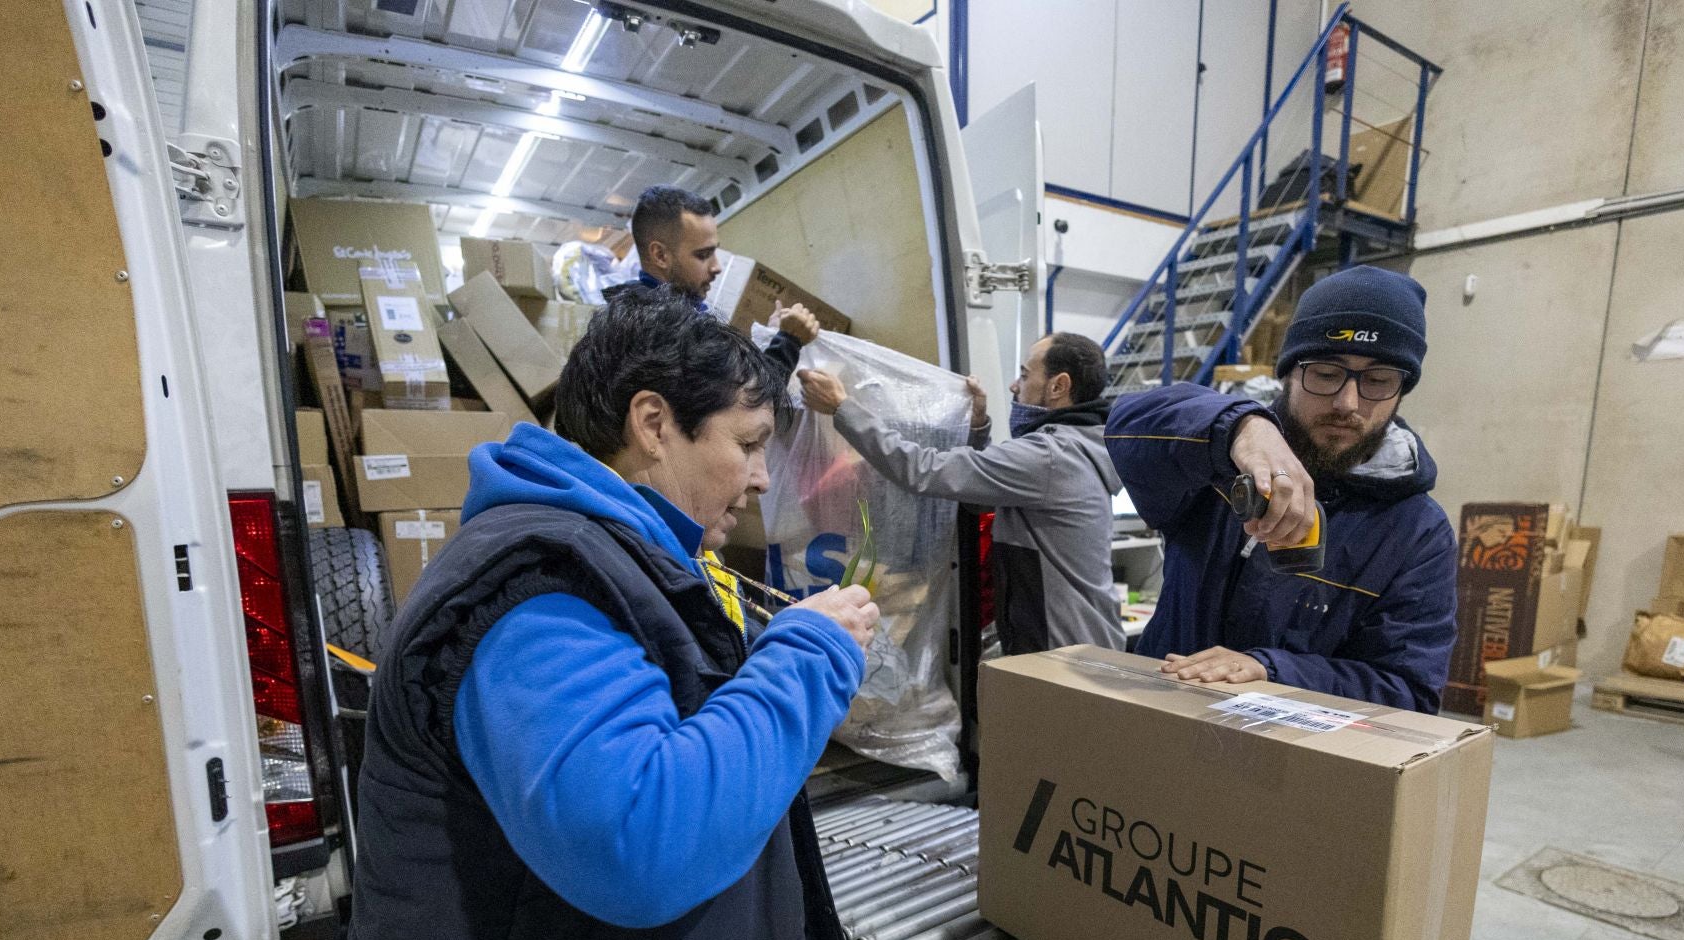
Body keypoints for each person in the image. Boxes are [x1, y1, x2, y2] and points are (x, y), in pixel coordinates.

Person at [335, 292, 880, 940]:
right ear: (653, 423)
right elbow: (637, 832)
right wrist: (809, 656)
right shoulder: (541, 589)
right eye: (748, 442)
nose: (761, 478)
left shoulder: (607, 558)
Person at [1104, 266, 1455, 712]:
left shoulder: (1417, 532)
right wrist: (1238, 429)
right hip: (1162, 723)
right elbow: (1126, 425)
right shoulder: (1216, 466)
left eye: (1378, 380)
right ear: (1288, 373)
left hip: (1289, 768)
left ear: (1402, 390)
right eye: (1326, 374)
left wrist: (1271, 670)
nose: (1348, 403)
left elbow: (1409, 692)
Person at [795, 332, 1126, 653]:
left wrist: (843, 407)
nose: (1014, 386)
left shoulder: (1050, 455)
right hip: (1081, 641)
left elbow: (923, 469)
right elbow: (976, 497)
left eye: (1024, 375)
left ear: (1059, 386)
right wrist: (977, 429)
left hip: (1065, 654)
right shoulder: (1077, 447)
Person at [610, 183, 821, 377]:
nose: (716, 267)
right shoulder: (660, 334)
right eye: (702, 255)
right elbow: (751, 404)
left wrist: (774, 335)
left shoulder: (664, 311)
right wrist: (788, 341)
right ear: (660, 256)